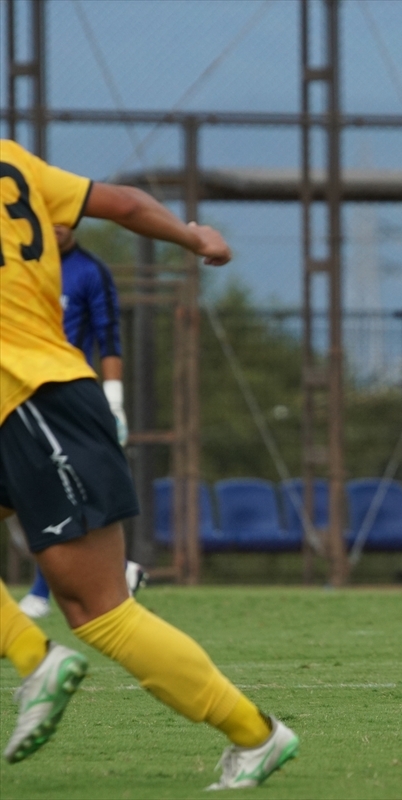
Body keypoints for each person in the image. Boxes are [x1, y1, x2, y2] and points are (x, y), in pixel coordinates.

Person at [0, 138, 297, 788]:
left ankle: (256, 735)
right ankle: (32, 656)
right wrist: (194, 237)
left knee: (100, 611)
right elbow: (125, 204)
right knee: (96, 609)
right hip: (30, 400)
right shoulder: (13, 161)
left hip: (30, 396)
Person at [18, 224, 144, 620]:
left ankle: (41, 591)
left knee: (53, 490)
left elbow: (109, 335)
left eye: (65, 216)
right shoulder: (20, 262)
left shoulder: (89, 270)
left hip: (64, 399)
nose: (58, 225)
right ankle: (117, 568)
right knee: (30, 492)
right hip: (16, 392)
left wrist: (114, 401)